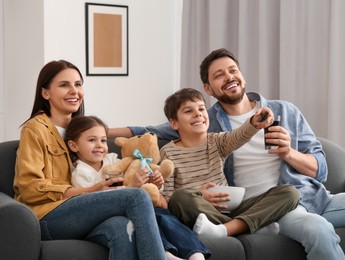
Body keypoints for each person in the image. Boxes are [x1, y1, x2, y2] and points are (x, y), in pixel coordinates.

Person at [109, 48, 345, 260]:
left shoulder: (284, 111)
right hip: (268, 208)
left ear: (241, 75)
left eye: (232, 70)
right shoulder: (207, 124)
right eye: (218, 75)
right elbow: (149, 131)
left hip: (312, 196)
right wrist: (97, 131)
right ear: (208, 89)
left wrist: (289, 152)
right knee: (317, 229)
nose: (228, 77)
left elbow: (321, 170)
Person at [14, 60, 166, 260]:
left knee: (122, 228)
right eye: (64, 85)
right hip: (46, 216)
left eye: (78, 84)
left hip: (82, 214)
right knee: (136, 197)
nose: (74, 91)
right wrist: (92, 191)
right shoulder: (35, 129)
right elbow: (29, 188)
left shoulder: (83, 130)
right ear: (45, 93)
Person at [156, 87, 299, 238]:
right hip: (197, 209)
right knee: (181, 198)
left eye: (201, 109)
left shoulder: (216, 141)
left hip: (231, 208)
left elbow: (239, 136)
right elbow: (169, 200)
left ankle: (226, 229)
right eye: (188, 111)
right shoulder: (168, 152)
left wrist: (254, 123)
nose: (198, 113)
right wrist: (199, 194)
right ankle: (247, 226)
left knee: (290, 192)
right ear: (174, 123)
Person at [65, 115, 211, 260]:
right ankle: (165, 253)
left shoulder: (113, 159)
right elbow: (96, 205)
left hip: (134, 207)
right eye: (92, 140)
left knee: (166, 217)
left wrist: (154, 184)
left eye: (103, 140)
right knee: (144, 219)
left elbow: (136, 179)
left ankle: (195, 254)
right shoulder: (80, 173)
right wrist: (132, 186)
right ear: (74, 146)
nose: (99, 145)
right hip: (110, 216)